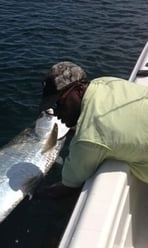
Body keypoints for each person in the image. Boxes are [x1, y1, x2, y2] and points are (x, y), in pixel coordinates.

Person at [38, 61, 148, 198]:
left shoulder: (87, 140)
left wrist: (39, 194)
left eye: (57, 104)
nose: (56, 113)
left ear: (78, 90)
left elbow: (69, 186)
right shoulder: (106, 81)